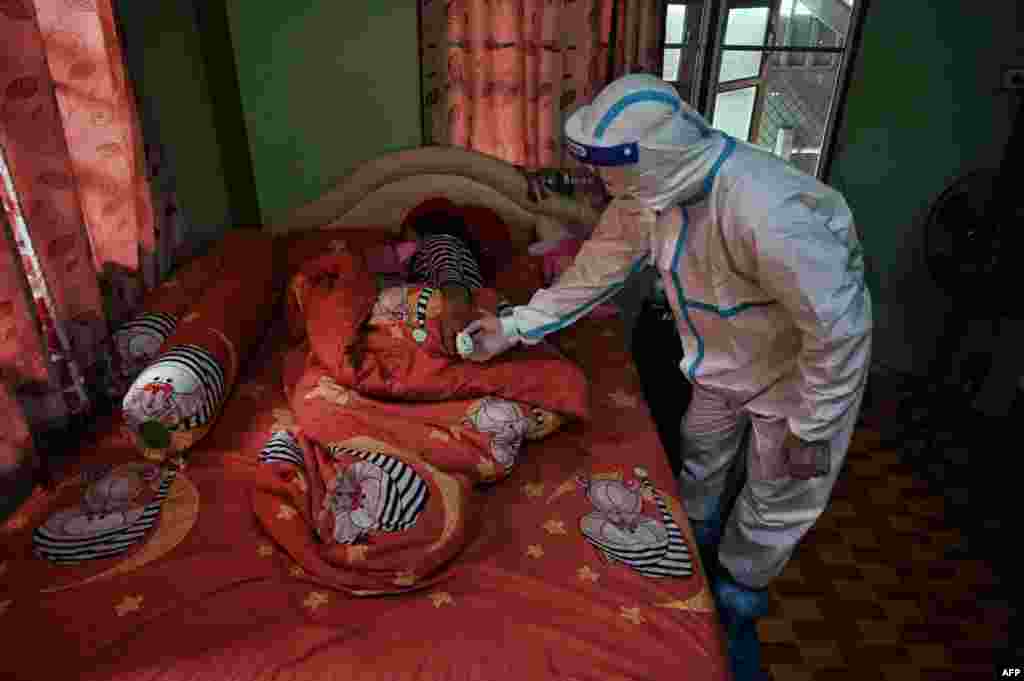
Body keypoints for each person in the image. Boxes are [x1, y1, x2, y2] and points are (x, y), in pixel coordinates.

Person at [463, 73, 872, 680]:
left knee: (777, 492)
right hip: (717, 363)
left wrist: (813, 428)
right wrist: (516, 326)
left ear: (647, 157)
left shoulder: (765, 209)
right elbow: (592, 273)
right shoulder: (649, 196)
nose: (600, 183)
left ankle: (737, 604)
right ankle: (695, 557)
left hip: (795, 376)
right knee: (700, 456)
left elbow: (838, 329)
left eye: (607, 168)